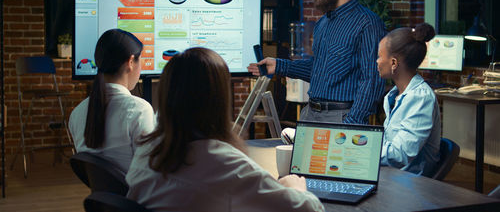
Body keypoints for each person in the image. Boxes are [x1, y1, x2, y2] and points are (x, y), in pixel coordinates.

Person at [126, 47, 324, 212]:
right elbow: (311, 209)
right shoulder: (225, 165)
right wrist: (296, 188)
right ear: (219, 99)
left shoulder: (146, 151)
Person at [248, 0, 386, 124]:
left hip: (341, 118)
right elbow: (319, 69)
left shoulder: (367, 23)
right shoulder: (323, 22)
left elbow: (372, 79)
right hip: (310, 114)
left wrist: (352, 121)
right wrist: (279, 65)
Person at [69, 29, 155, 173]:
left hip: (102, 195)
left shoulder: (77, 113)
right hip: (135, 194)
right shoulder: (139, 110)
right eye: (140, 61)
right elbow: (149, 171)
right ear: (130, 62)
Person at [376, 23, 441, 175]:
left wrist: (362, 153)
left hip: (410, 184)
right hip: (392, 175)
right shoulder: (395, 95)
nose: (377, 61)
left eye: (379, 56)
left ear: (393, 63)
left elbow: (401, 155)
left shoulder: (421, 98)